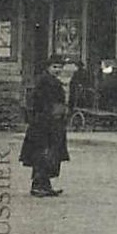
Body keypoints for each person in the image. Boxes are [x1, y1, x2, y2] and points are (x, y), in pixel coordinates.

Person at [20, 55, 75, 197]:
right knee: (44, 153)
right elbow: (43, 103)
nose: (58, 70)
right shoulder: (46, 82)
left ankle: (45, 185)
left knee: (49, 153)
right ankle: (38, 186)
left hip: (50, 122)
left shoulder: (50, 80)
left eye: (60, 67)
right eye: (55, 67)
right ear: (48, 67)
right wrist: (55, 114)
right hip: (46, 123)